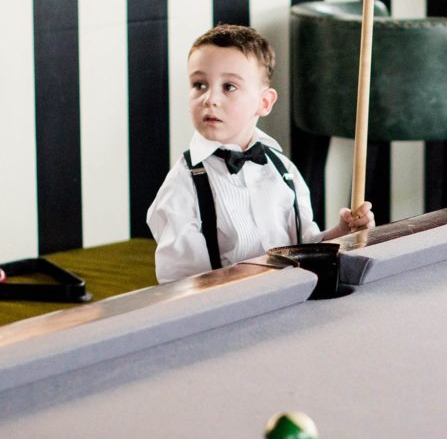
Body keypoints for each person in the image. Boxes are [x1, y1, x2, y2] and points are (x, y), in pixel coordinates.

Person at [147, 23, 374, 283]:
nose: (209, 99)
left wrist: (343, 232)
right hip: (230, 313)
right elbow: (181, 284)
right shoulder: (182, 187)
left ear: (264, 102)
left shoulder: (282, 170)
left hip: (294, 302)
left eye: (229, 87)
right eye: (199, 84)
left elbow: (304, 245)